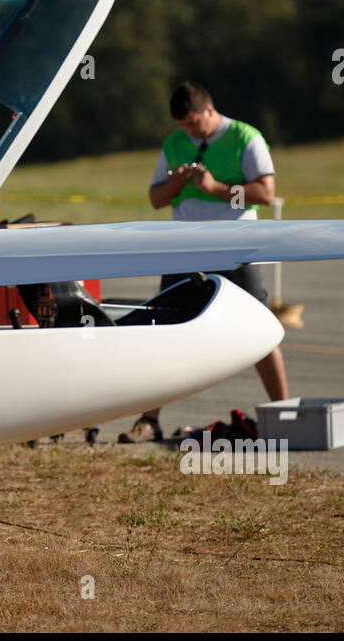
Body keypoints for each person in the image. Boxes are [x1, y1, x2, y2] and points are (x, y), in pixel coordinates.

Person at [119, 81, 289, 443]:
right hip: (185, 248)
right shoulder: (174, 143)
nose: (190, 131)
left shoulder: (246, 137)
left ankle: (284, 413)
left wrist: (216, 189)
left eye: (194, 123)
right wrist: (177, 184)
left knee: (260, 329)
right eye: (184, 126)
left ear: (210, 110)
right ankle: (149, 420)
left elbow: (266, 192)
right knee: (164, 328)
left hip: (234, 246)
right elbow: (155, 199)